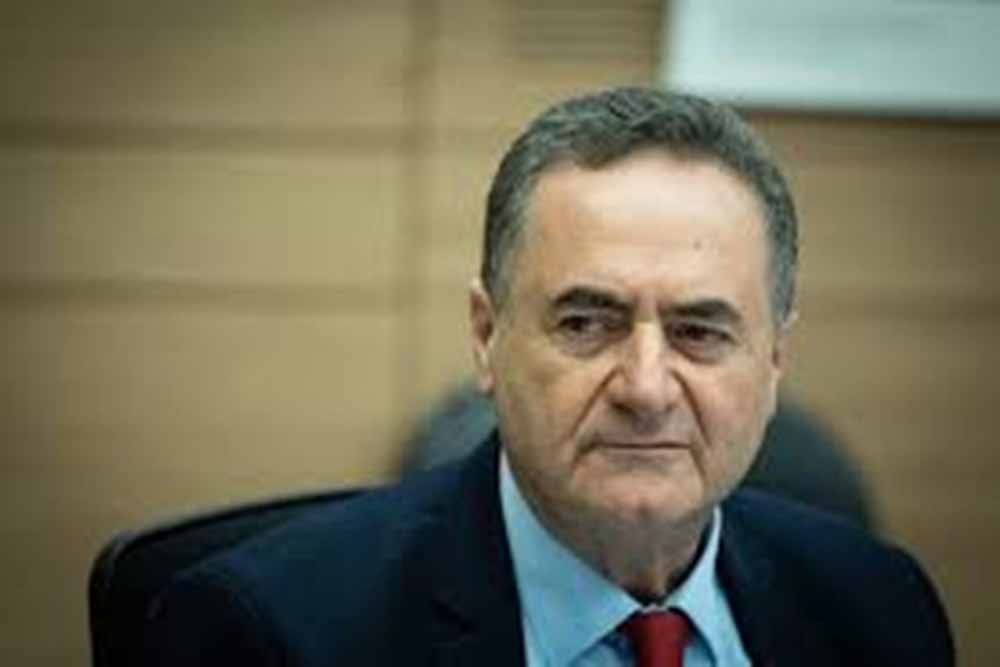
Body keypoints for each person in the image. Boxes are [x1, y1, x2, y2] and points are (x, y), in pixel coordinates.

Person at [143, 87, 954, 666]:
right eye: (585, 323)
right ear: (486, 335)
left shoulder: (881, 608)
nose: (645, 388)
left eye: (699, 332)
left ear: (774, 360)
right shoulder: (267, 632)